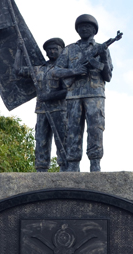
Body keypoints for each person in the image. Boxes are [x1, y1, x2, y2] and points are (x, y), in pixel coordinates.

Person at [54, 14, 113, 172]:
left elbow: (108, 76)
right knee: (72, 130)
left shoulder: (102, 48)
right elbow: (56, 71)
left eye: (88, 26)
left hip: (95, 94)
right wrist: (74, 71)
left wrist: (102, 59)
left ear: (94, 30)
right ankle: (73, 165)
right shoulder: (69, 50)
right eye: (81, 27)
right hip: (73, 95)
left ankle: (95, 164)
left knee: (95, 128)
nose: (84, 29)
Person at [14, 38, 68, 172]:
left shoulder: (65, 69)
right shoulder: (38, 69)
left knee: (62, 140)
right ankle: (41, 168)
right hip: (42, 111)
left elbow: (68, 90)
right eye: (49, 49)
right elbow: (18, 70)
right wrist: (20, 50)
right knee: (41, 140)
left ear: (62, 51)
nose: (52, 51)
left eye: (55, 48)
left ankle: (65, 168)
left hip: (59, 110)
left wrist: (49, 96)